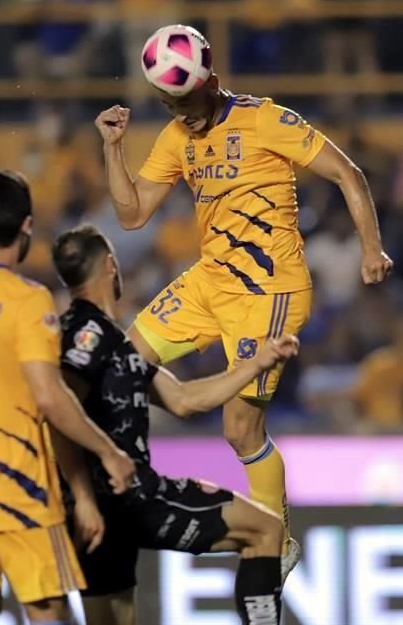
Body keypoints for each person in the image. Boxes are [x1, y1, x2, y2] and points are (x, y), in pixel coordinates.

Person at [94, 25, 393, 573]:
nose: (180, 112)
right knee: (120, 365)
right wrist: (113, 148)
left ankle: (277, 542)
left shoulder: (265, 119)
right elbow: (133, 214)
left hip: (269, 290)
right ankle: (125, 488)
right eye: (169, 102)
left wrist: (371, 249)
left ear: (212, 80)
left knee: (239, 430)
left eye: (186, 99)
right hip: (210, 280)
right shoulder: (176, 138)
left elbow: (346, 173)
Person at [0, 172, 136, 625]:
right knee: (49, 612)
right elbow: (50, 400)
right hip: (18, 486)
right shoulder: (27, 301)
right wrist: (108, 453)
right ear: (27, 225)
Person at [52, 224, 298, 625]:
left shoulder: (113, 341)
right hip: (124, 498)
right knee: (265, 529)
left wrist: (255, 364)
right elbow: (58, 408)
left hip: (108, 507)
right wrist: (84, 490)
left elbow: (184, 400)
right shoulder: (87, 335)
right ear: (111, 267)